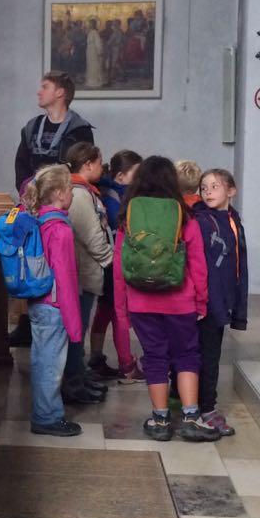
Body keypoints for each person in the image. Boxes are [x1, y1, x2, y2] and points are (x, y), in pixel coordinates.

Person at [112, 157, 216, 442]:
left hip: (141, 302)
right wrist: (201, 301)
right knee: (187, 355)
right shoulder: (185, 216)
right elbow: (198, 265)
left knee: (154, 358)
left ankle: (160, 421)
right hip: (180, 302)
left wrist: (122, 308)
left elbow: (119, 267)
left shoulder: (128, 216)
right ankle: (191, 417)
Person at [9, 72, 94, 347]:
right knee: (31, 260)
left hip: (62, 206)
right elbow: (21, 162)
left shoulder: (79, 130)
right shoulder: (32, 127)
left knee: (60, 264)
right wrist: (28, 190)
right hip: (33, 204)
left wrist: (58, 194)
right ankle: (28, 320)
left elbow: (79, 165)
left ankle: (64, 319)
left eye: (45, 87)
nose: (39, 91)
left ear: (60, 93)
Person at [22, 164, 83, 438]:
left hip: (38, 302)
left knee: (42, 360)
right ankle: (47, 418)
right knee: (51, 365)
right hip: (54, 305)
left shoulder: (38, 219)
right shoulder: (60, 230)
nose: (72, 193)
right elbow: (66, 280)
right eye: (70, 188)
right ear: (59, 193)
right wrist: (74, 323)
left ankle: (45, 412)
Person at [193, 168, 249, 436]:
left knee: (211, 354)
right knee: (207, 356)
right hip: (206, 301)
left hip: (221, 298)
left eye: (215, 186)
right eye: (204, 187)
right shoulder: (202, 221)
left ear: (231, 191)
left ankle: (200, 404)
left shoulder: (232, 220)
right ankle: (206, 408)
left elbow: (238, 263)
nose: (208, 191)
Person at [62, 143, 112, 405]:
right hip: (82, 274)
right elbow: (93, 236)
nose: (102, 167)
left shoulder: (84, 190)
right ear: (88, 164)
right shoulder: (79, 194)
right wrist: (109, 260)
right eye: (99, 162)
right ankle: (73, 382)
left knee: (79, 329)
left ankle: (79, 376)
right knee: (76, 331)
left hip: (85, 272)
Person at [90, 150, 142, 382]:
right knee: (119, 313)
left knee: (105, 311)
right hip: (113, 263)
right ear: (121, 176)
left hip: (106, 263)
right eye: (136, 173)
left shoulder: (108, 192)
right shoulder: (115, 199)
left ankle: (96, 358)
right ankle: (126, 364)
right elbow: (120, 230)